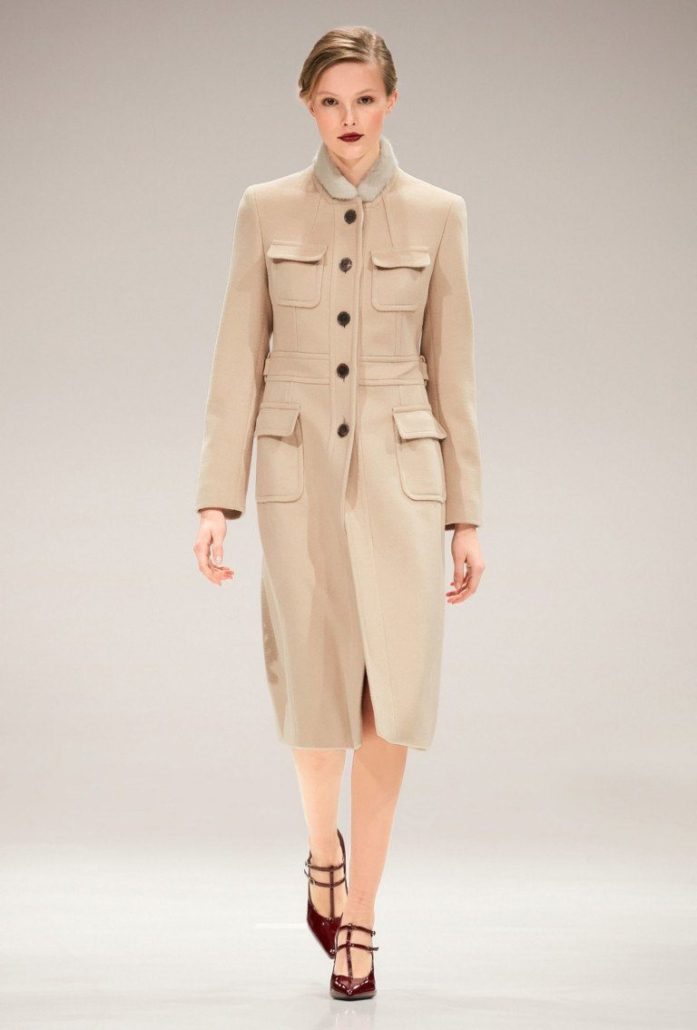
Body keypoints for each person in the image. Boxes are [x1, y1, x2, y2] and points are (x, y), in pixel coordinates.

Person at [193, 25, 485, 1001]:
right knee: (316, 693)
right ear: (306, 105)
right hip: (297, 476)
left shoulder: (438, 214)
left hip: (404, 482)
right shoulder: (264, 208)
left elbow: (455, 374)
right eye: (330, 101)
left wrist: (467, 516)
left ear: (390, 101)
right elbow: (237, 357)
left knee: (390, 698)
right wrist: (216, 498)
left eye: (364, 99)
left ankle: (360, 914)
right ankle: (322, 849)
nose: (349, 118)